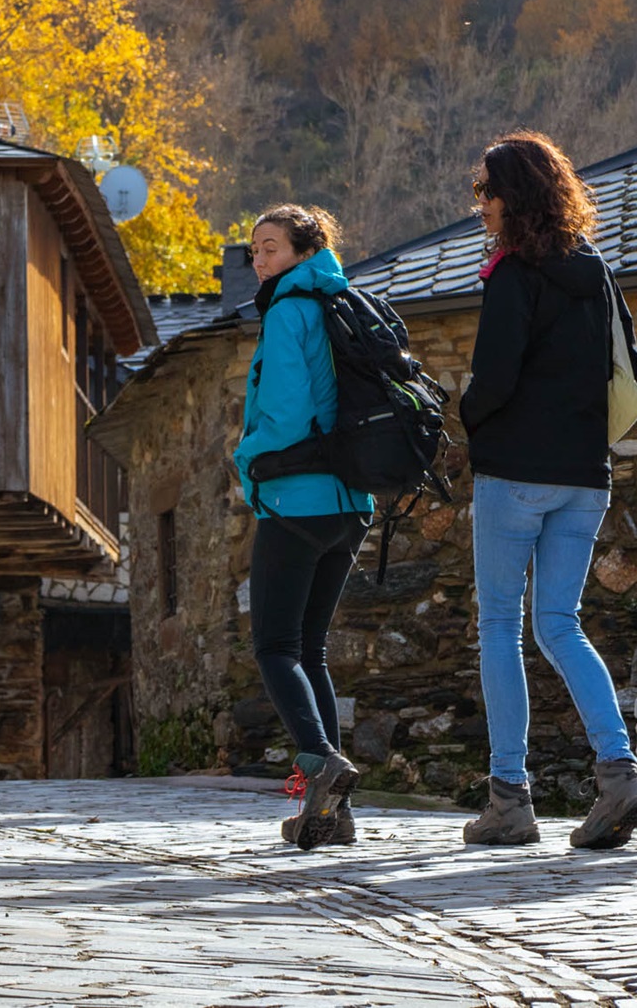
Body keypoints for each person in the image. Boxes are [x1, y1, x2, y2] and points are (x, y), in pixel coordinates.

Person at [458, 132, 637, 849]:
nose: (479, 205)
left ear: (514, 196)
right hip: (584, 475)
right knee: (561, 625)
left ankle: (509, 796)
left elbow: (495, 381)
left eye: (487, 191)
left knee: (501, 628)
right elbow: (627, 364)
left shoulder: (512, 274)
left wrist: (465, 411)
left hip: (515, 475)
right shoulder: (595, 270)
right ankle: (619, 774)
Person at [232, 204, 375, 850]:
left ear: (301, 250)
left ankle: (320, 761)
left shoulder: (289, 310)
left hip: (297, 499)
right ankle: (334, 813)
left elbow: (286, 414)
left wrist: (246, 456)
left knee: (274, 647)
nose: (259, 260)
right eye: (255, 250)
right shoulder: (340, 302)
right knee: (309, 649)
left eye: (270, 248)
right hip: (350, 503)